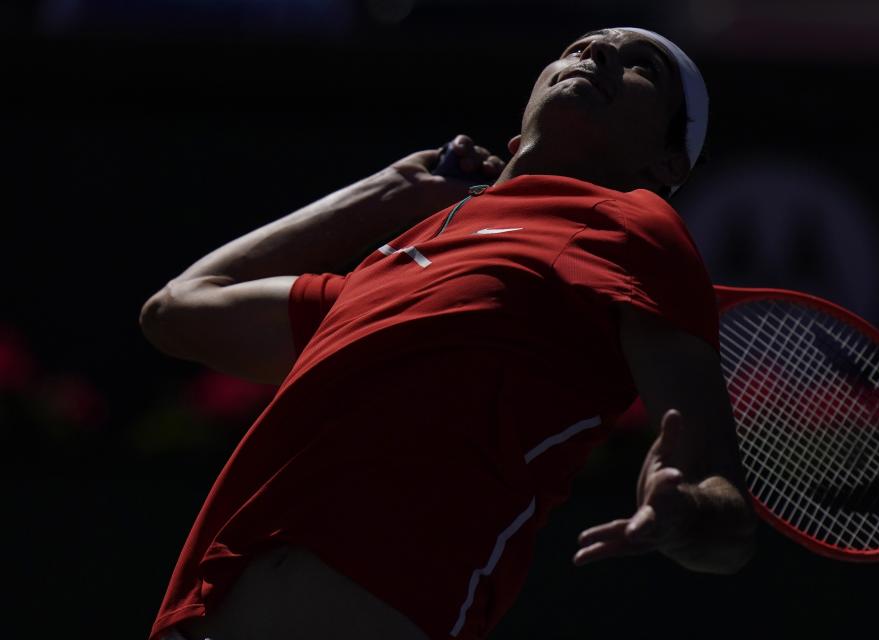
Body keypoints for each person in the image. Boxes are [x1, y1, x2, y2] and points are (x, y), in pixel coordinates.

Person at [140, 26, 757, 640]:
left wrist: (685, 516)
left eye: (641, 66)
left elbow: (723, 510)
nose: (592, 54)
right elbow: (175, 310)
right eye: (575, 47)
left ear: (668, 164)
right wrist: (386, 192)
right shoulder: (389, 266)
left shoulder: (636, 226)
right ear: (521, 127)